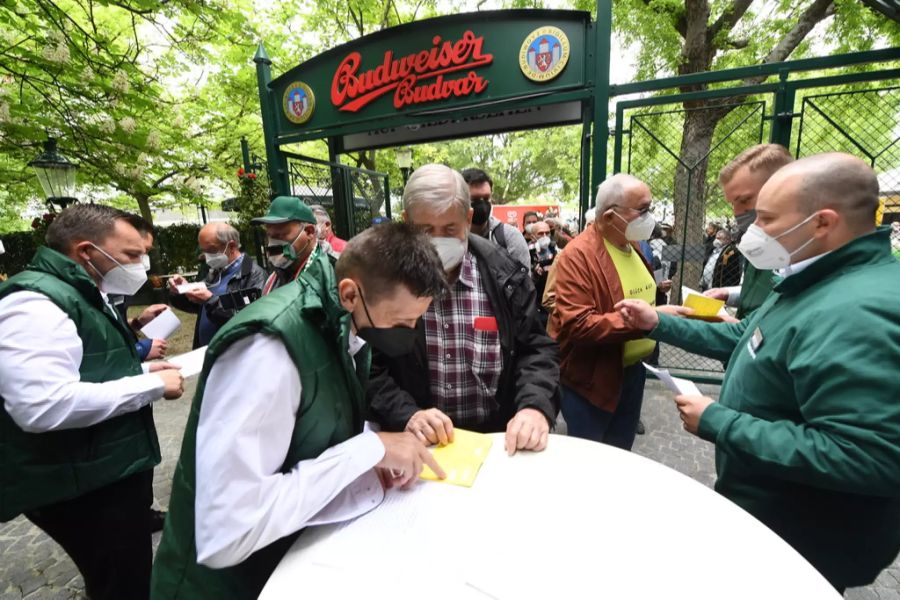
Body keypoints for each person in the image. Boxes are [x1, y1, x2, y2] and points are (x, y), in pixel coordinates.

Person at [616, 153, 900, 592]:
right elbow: (747, 337)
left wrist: (718, 421)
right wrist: (658, 322)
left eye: (765, 218)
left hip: (804, 542)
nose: (752, 231)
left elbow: (867, 457)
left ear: (822, 222)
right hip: (778, 518)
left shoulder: (856, 311)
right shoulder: (814, 279)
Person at [151, 223, 448, 599]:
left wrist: (367, 459)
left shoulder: (342, 322)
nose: (410, 331)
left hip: (279, 566)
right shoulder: (267, 348)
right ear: (350, 293)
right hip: (224, 586)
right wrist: (369, 450)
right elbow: (228, 531)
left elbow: (311, 429)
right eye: (402, 321)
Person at [0, 204, 185, 600]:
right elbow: (42, 405)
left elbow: (88, 365)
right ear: (87, 251)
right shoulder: (34, 303)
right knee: (121, 584)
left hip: (101, 470)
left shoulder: (80, 290)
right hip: (82, 484)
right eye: (132, 255)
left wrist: (141, 372)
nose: (141, 265)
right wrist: (149, 388)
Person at [368, 164, 559, 456]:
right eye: (424, 230)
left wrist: (534, 406)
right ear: (405, 223)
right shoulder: (383, 284)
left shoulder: (505, 277)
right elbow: (368, 364)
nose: (438, 240)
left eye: (449, 229)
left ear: (468, 219)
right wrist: (406, 414)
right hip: (420, 447)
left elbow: (535, 349)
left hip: (497, 443)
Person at [551, 174, 667, 450]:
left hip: (633, 373)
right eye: (643, 210)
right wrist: (645, 322)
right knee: (592, 459)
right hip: (592, 379)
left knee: (621, 453)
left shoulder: (633, 244)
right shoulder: (577, 255)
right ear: (610, 216)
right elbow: (578, 324)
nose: (650, 217)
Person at [704, 144, 794, 318]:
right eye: (732, 203)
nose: (736, 212)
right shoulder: (760, 240)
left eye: (744, 200)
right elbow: (763, 295)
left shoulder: (804, 250)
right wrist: (729, 294)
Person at [168, 222, 266, 349]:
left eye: (211, 250)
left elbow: (248, 320)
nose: (207, 257)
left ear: (231, 246)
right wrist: (181, 291)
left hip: (234, 355)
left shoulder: (253, 275)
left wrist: (210, 300)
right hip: (206, 353)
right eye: (204, 251)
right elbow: (197, 306)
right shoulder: (216, 271)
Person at [461, 168, 531, 268]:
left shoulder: (510, 237)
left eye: (486, 198)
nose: (482, 204)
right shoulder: (450, 238)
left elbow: (523, 281)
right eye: (474, 199)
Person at [252, 196, 320, 295]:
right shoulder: (274, 278)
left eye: (280, 235)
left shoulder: (330, 274)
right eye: (270, 236)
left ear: (309, 232)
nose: (272, 243)